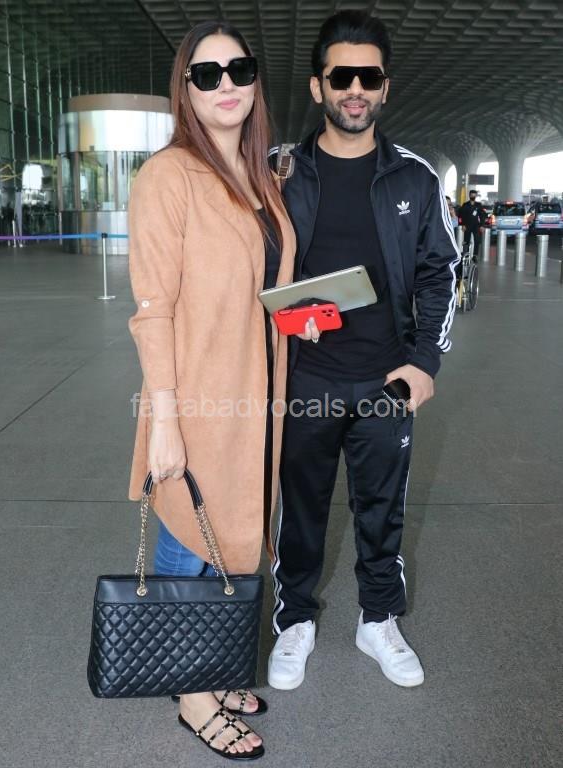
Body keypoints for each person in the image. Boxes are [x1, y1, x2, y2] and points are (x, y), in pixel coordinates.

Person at [267, 10, 459, 691]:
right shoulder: (279, 173)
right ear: (317, 86)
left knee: (382, 509)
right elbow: (248, 269)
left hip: (385, 380)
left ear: (384, 88)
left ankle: (377, 619)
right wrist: (279, 323)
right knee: (300, 507)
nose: (355, 89)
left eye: (368, 77)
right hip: (304, 378)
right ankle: (294, 619)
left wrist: (423, 362)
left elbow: (442, 271)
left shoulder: (413, 178)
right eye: (341, 76)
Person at [127, 21, 296, 760]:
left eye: (238, 69)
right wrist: (164, 421)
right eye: (206, 74)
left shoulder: (259, 180)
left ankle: (214, 669)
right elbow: (153, 308)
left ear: (255, 81)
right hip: (197, 399)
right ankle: (191, 696)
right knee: (186, 542)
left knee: (231, 537)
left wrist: (304, 313)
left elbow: (259, 290)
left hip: (258, 399)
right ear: (186, 91)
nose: (225, 84)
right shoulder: (168, 176)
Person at [458, 189, 486, 258]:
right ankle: (466, 254)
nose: (473, 196)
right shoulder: (465, 205)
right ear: (469, 195)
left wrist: (482, 225)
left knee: (477, 240)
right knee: (466, 241)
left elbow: (482, 216)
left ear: (476, 196)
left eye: (474, 195)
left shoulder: (478, 205)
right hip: (467, 225)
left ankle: (475, 255)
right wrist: (463, 224)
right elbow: (461, 215)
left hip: (476, 225)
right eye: (472, 195)